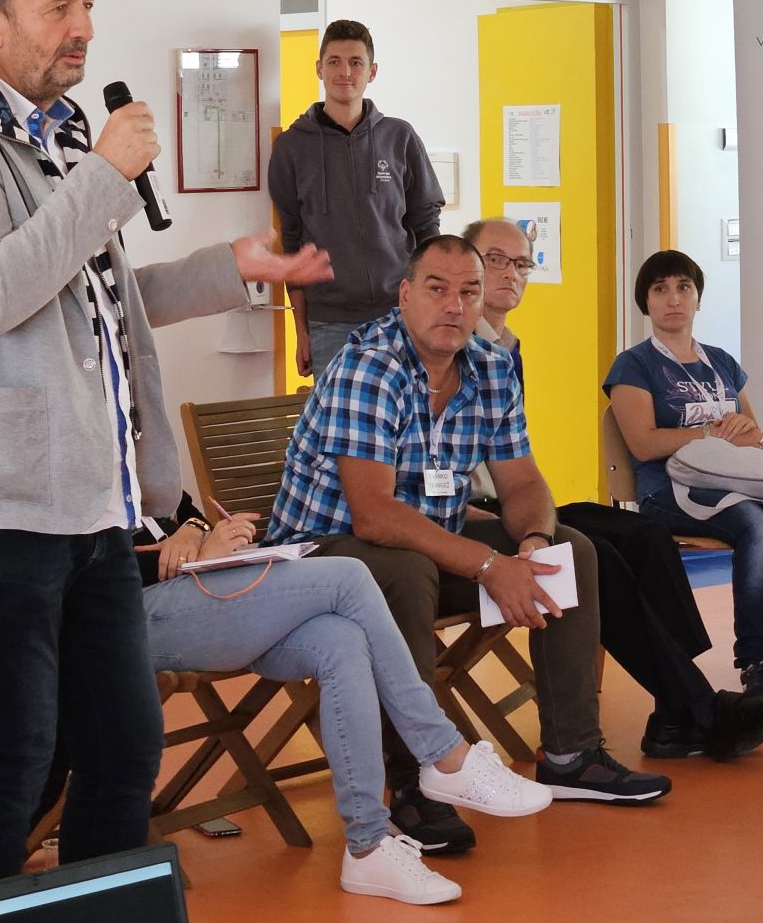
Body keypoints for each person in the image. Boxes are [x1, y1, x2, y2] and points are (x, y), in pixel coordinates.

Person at [0, 0, 333, 891]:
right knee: (9, 762)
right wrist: (102, 176)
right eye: (58, 6)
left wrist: (229, 268)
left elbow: (100, 297)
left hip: (93, 504)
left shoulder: (58, 137)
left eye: (88, 3)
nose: (83, 26)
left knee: (127, 749)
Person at [268, 233, 674, 855]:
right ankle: (414, 782)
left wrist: (532, 542)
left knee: (570, 551)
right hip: (320, 555)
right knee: (405, 572)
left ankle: (571, 755)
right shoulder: (368, 366)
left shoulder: (490, 367)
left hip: (425, 543)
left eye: (469, 292)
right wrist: (489, 566)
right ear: (406, 294)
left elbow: (523, 483)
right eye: (437, 289)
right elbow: (374, 515)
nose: (453, 306)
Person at [463, 218, 763, 758]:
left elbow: (513, 464)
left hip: (505, 505)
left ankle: (674, 712)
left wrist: (528, 513)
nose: (509, 273)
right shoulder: (449, 344)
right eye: (494, 260)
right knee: (592, 555)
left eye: (521, 263)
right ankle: (697, 710)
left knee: (643, 535)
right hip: (467, 514)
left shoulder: (505, 348)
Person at [136, 493, 550, 906]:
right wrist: (176, 557)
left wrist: (197, 529)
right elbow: (104, 559)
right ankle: (443, 752)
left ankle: (367, 844)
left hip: (201, 591)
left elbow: (178, 505)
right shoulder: (100, 465)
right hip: (140, 609)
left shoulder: (136, 459)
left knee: (342, 640)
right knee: (349, 576)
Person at [605, 249, 763, 704]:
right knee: (754, 526)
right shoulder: (634, 365)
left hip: (736, 482)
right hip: (669, 490)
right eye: (660, 289)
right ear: (645, 301)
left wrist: (750, 433)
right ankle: (754, 663)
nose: (673, 299)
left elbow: (758, 439)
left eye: (684, 287)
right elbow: (643, 445)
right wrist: (708, 431)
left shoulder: (722, 362)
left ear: (698, 298)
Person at [268, 19, 443, 380]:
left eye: (355, 62)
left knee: (410, 412)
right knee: (338, 418)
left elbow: (427, 229)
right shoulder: (292, 147)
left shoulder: (400, 138)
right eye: (334, 61)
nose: (344, 72)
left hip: (402, 316)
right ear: (319, 68)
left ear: (372, 72)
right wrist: (301, 330)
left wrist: (431, 305)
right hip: (329, 324)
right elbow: (291, 242)